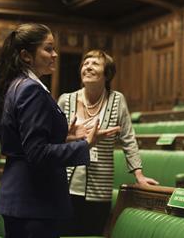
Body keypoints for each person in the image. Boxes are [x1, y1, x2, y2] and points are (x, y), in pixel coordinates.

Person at [0, 23, 118, 238]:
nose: (55, 55)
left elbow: (25, 140)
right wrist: (84, 145)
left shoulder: (18, 84)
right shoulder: (31, 90)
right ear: (27, 56)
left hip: (23, 199)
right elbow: (37, 153)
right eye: (48, 49)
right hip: (35, 201)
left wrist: (64, 138)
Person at [58, 49, 159, 236]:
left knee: (92, 234)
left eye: (94, 63)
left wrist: (139, 175)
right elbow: (52, 139)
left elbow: (128, 139)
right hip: (64, 185)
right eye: (85, 63)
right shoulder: (66, 100)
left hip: (99, 186)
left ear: (107, 73)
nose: (87, 67)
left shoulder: (117, 100)